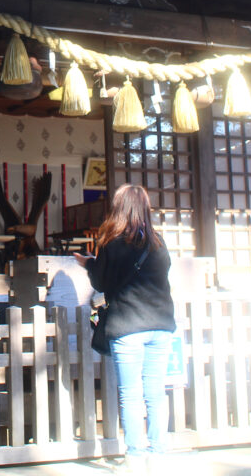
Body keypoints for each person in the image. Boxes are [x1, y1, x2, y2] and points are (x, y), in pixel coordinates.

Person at [74, 183, 175, 474]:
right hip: (161, 324)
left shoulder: (112, 243)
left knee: (131, 394)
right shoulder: (158, 242)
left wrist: (88, 264)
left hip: (128, 325)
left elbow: (101, 282)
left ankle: (135, 456)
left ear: (119, 208)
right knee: (155, 392)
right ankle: (158, 453)